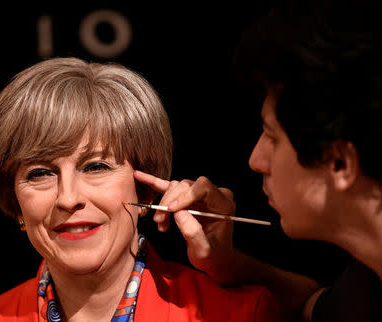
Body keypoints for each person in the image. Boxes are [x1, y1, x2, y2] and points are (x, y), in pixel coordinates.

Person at [0, 57, 282, 321]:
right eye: (40, 173)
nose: (68, 198)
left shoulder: (242, 315)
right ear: (16, 203)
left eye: (96, 166)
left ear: (145, 188)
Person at [133, 0, 382, 321]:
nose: (255, 160)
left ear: (339, 163)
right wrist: (226, 263)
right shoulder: (367, 281)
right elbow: (316, 306)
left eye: (272, 137)